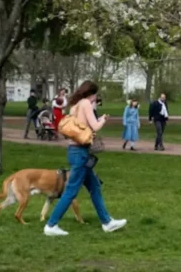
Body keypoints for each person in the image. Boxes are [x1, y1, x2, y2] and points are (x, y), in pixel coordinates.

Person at [43, 81, 126, 237]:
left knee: (94, 187)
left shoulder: (74, 106)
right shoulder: (86, 104)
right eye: (95, 95)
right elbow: (94, 126)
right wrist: (103, 119)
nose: (95, 98)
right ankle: (51, 225)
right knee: (71, 191)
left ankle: (107, 222)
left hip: (74, 151)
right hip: (80, 152)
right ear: (91, 93)